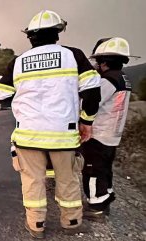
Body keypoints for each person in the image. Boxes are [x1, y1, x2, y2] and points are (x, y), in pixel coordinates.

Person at [0, 10, 101, 238]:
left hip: (28, 137)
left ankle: (36, 226)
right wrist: (86, 122)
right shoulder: (74, 56)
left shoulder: (18, 62)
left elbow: (0, 93)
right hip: (63, 135)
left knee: (33, 183)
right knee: (68, 180)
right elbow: (92, 92)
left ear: (30, 37)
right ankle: (71, 223)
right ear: (57, 33)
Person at [81, 37, 137, 222]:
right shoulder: (123, 78)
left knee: (92, 171)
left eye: (98, 61)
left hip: (99, 134)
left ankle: (96, 207)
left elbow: (92, 102)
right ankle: (105, 198)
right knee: (104, 169)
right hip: (113, 135)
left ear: (104, 61)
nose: (96, 64)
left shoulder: (107, 80)